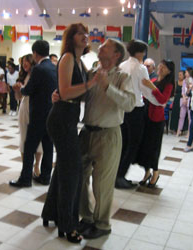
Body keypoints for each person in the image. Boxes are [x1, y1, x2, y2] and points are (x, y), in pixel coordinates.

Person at [41, 23, 97, 244]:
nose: (85, 36)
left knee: (66, 169)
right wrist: (91, 83)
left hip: (68, 118)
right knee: (72, 173)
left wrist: (67, 92)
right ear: (71, 38)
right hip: (61, 120)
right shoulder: (67, 58)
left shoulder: (78, 61)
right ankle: (68, 225)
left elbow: (70, 93)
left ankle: (50, 213)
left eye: (86, 32)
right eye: (80, 33)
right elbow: (66, 92)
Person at [78, 39, 136, 239]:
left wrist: (107, 87)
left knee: (102, 183)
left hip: (109, 134)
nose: (99, 48)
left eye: (105, 46)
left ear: (116, 55)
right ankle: (86, 217)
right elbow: (85, 97)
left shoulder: (123, 76)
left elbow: (129, 103)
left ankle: (102, 224)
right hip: (86, 132)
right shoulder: (92, 72)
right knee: (81, 177)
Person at [115, 39, 163, 189]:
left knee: (122, 143)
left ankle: (116, 174)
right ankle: (120, 176)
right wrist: (160, 101)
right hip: (135, 109)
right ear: (141, 52)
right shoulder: (140, 68)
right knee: (133, 144)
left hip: (122, 109)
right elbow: (147, 91)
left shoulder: (122, 65)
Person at [9, 40, 57, 187]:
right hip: (51, 113)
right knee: (48, 147)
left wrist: (20, 88)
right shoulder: (55, 67)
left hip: (37, 115)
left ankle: (25, 179)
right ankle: (45, 177)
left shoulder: (38, 69)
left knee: (29, 147)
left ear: (35, 53)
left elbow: (28, 90)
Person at [136, 59, 175, 188]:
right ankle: (147, 172)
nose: (160, 68)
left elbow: (163, 99)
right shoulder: (153, 80)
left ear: (169, 71)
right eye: (160, 65)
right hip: (145, 114)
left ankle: (155, 172)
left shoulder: (168, 84)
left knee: (154, 146)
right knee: (145, 145)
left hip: (156, 118)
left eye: (163, 67)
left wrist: (152, 88)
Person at [14, 54, 42, 177]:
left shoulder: (38, 76)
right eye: (23, 63)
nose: (24, 65)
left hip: (36, 108)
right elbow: (19, 98)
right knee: (24, 137)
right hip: (24, 108)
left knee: (38, 139)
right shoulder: (23, 76)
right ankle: (26, 167)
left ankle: (36, 165)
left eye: (27, 62)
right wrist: (17, 90)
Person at [176, 67, 193, 136]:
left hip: (191, 100)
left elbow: (192, 91)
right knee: (181, 116)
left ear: (189, 72)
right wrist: (184, 98)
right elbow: (182, 91)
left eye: (186, 72)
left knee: (190, 117)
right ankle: (179, 130)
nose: (185, 73)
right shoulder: (184, 81)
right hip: (183, 99)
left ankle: (189, 132)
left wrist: (187, 96)